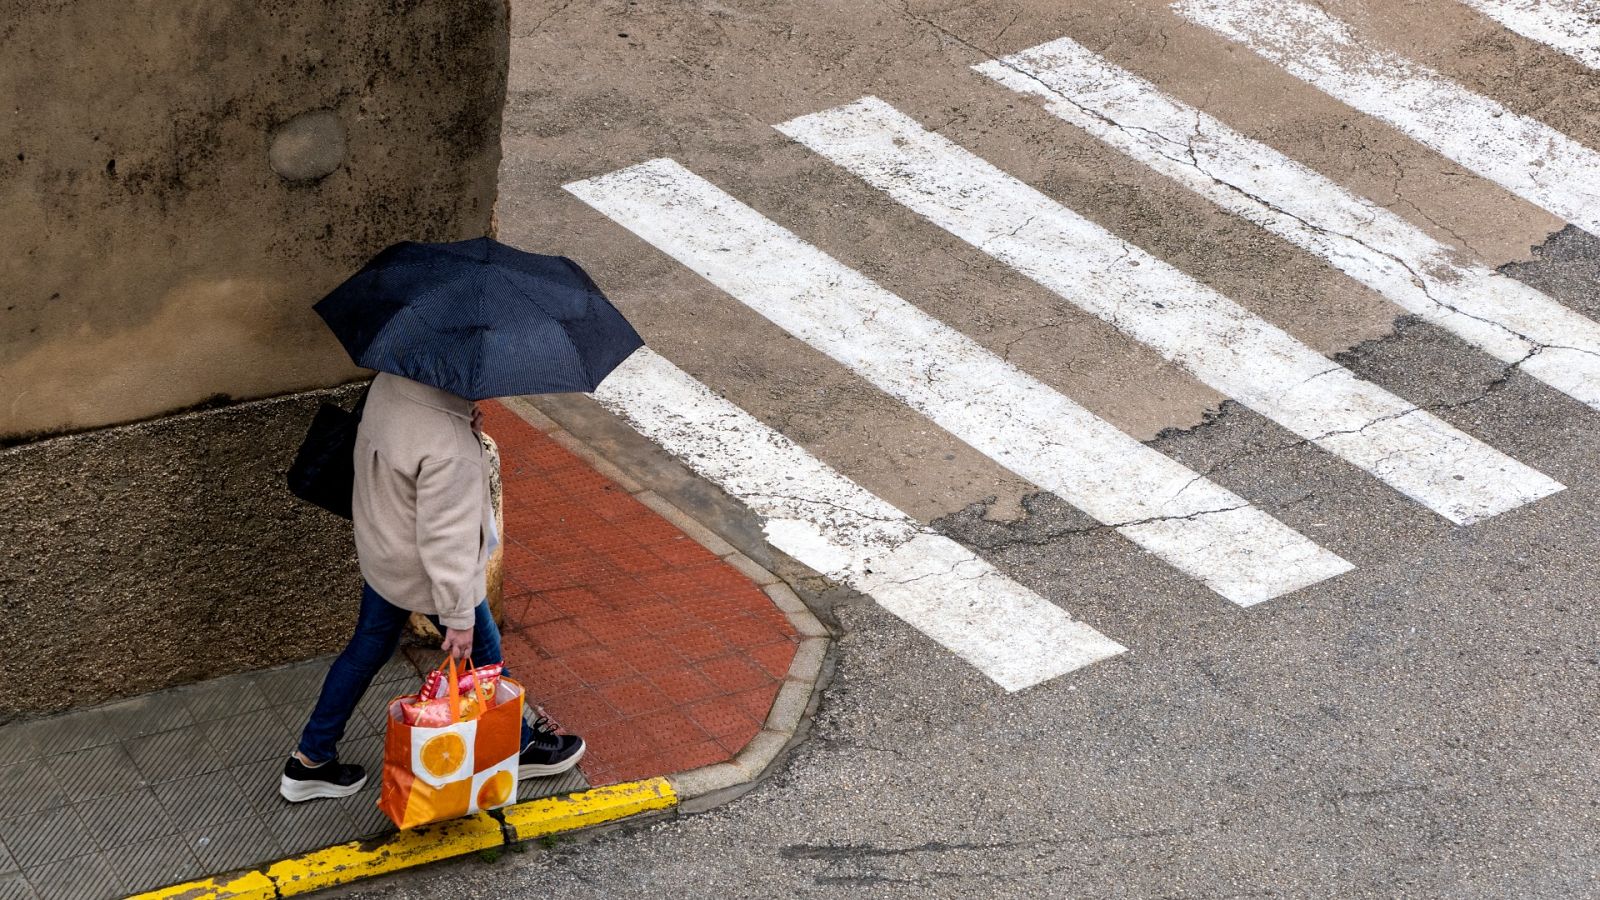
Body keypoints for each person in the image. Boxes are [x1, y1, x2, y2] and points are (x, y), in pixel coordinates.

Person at [280, 371, 585, 802]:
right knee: (485, 660)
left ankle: (310, 759)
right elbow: (448, 540)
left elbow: (408, 454)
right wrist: (458, 617)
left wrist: (466, 428)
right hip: (430, 577)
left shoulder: (390, 383)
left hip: (384, 556)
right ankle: (518, 746)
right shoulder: (449, 448)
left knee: (365, 652)